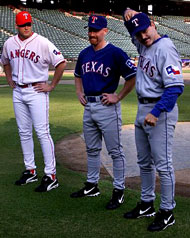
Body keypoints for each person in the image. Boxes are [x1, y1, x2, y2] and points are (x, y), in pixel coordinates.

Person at [123, 9, 184, 231]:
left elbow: (176, 87)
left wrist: (156, 112)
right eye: (138, 34)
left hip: (160, 110)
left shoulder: (165, 48)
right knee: (144, 162)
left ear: (153, 24)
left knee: (163, 165)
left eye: (145, 31)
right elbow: (131, 26)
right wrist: (126, 11)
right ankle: (147, 203)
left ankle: (167, 212)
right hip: (143, 107)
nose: (142, 36)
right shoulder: (143, 43)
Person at [70, 15, 136, 210]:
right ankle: (92, 185)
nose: (92, 33)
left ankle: (119, 191)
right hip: (89, 107)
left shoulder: (115, 53)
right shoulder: (84, 53)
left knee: (115, 151)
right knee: (91, 149)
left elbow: (132, 77)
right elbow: (77, 75)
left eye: (96, 30)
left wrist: (119, 96)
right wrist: (79, 92)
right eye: (90, 30)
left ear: (105, 31)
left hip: (107, 106)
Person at [1, 11, 66, 192]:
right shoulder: (9, 43)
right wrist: (8, 78)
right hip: (18, 91)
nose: (27, 27)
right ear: (17, 26)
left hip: (37, 91)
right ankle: (30, 170)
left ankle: (51, 175)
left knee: (42, 132)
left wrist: (52, 85)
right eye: (23, 25)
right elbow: (5, 61)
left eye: (28, 24)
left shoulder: (42, 42)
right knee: (24, 132)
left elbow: (61, 62)